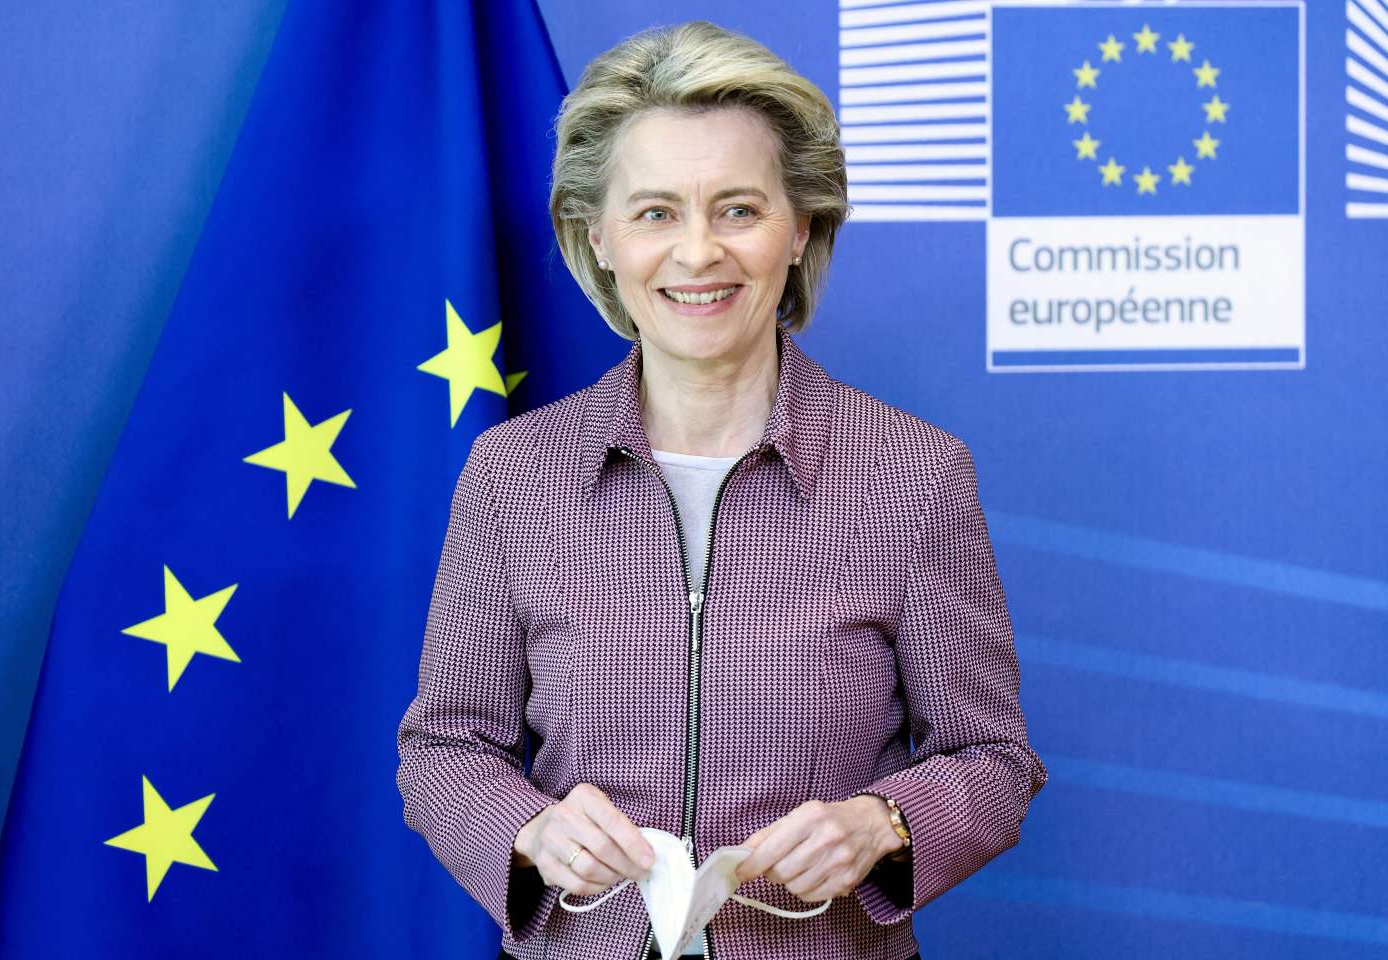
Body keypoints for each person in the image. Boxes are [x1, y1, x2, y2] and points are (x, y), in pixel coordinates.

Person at [396, 20, 1047, 960]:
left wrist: (884, 821)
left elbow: (994, 762)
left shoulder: (914, 477)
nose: (698, 252)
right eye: (656, 212)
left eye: (738, 209)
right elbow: (446, 751)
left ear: (801, 228)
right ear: (599, 239)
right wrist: (528, 833)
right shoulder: (514, 476)